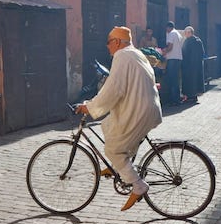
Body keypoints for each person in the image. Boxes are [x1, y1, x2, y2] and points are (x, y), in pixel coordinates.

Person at [74, 26, 163, 211]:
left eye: (108, 43)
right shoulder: (136, 53)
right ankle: (118, 168)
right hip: (148, 108)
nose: (107, 47)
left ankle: (138, 186)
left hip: (138, 110)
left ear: (116, 42)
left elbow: (113, 89)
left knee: (113, 149)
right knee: (109, 125)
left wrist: (89, 107)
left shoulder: (122, 56)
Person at [160, 21, 184, 106]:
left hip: (172, 58)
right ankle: (176, 99)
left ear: (168, 27)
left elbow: (170, 47)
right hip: (178, 58)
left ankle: (173, 100)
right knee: (176, 79)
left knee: (172, 79)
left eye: (166, 28)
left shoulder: (171, 34)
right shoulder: (178, 34)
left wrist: (163, 52)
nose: (166, 30)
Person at [181, 26, 205, 104]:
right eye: (185, 33)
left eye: (187, 32)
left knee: (190, 81)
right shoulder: (197, 41)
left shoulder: (190, 41)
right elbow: (202, 53)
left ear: (191, 33)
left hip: (189, 65)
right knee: (194, 81)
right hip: (196, 65)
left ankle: (190, 96)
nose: (185, 34)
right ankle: (193, 96)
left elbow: (185, 52)